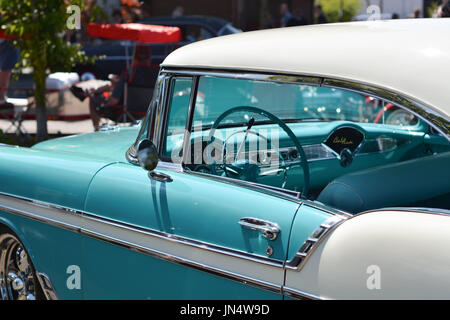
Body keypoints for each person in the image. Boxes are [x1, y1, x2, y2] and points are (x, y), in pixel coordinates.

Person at [88, 45, 153, 129]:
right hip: (146, 111)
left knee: (92, 98)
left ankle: (96, 129)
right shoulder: (154, 74)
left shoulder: (129, 73)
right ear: (149, 58)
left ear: (134, 58)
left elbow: (114, 101)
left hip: (123, 112)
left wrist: (105, 102)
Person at [0, 39, 19, 107]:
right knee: (6, 69)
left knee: (6, 69)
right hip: (7, 39)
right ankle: (1, 99)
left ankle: (2, 98)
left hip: (7, 40)